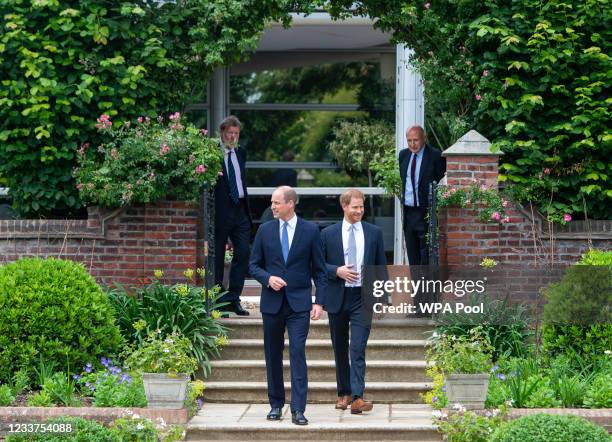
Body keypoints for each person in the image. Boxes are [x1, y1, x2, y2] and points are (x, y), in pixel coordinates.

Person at [249, 186, 327, 426]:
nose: (272, 206)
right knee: (272, 355)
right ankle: (275, 405)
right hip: (271, 304)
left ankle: (298, 409)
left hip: (299, 304)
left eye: (276, 202)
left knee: (296, 353)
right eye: (272, 202)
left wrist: (320, 302)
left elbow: (320, 271)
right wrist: (267, 278)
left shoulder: (311, 230)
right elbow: (253, 265)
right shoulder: (264, 230)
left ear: (290, 203)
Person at [321, 189, 387, 414]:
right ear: (344, 206)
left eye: (361, 207)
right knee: (340, 347)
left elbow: (380, 267)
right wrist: (336, 270)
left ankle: (358, 397)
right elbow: (318, 266)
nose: (359, 211)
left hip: (363, 298)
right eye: (355, 207)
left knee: (357, 347)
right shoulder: (328, 234)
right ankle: (344, 393)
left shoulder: (374, 232)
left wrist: (381, 298)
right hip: (338, 296)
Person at [214, 115, 251, 316]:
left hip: (241, 210)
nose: (233, 137)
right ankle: (219, 300)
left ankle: (233, 298)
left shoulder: (241, 152)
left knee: (243, 252)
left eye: (236, 133)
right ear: (222, 133)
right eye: (230, 133)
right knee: (218, 256)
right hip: (222, 211)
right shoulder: (213, 154)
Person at [399, 126, 446, 266]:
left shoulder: (436, 156)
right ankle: (416, 287)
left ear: (424, 139)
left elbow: (441, 184)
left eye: (416, 140)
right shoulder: (403, 155)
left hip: (426, 212)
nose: (412, 144)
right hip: (409, 213)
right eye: (409, 141)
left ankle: (427, 287)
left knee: (426, 256)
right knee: (413, 256)